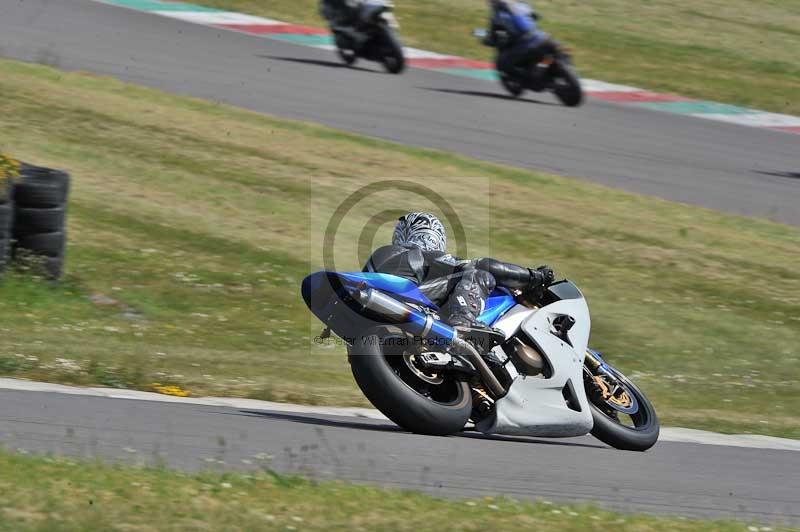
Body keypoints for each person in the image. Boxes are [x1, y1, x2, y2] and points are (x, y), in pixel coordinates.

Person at [364, 212, 554, 337]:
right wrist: (534, 277)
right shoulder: (417, 255)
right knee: (478, 272)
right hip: (406, 299)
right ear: (432, 237)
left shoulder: (385, 256)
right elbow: (483, 265)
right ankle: (464, 319)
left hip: (381, 316)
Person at [482, 0, 550, 77]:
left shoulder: (498, 16)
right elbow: (535, 16)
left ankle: (527, 77)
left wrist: (487, 40)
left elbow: (494, 36)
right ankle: (543, 66)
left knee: (503, 62)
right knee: (549, 53)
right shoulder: (522, 5)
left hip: (524, 43)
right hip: (540, 36)